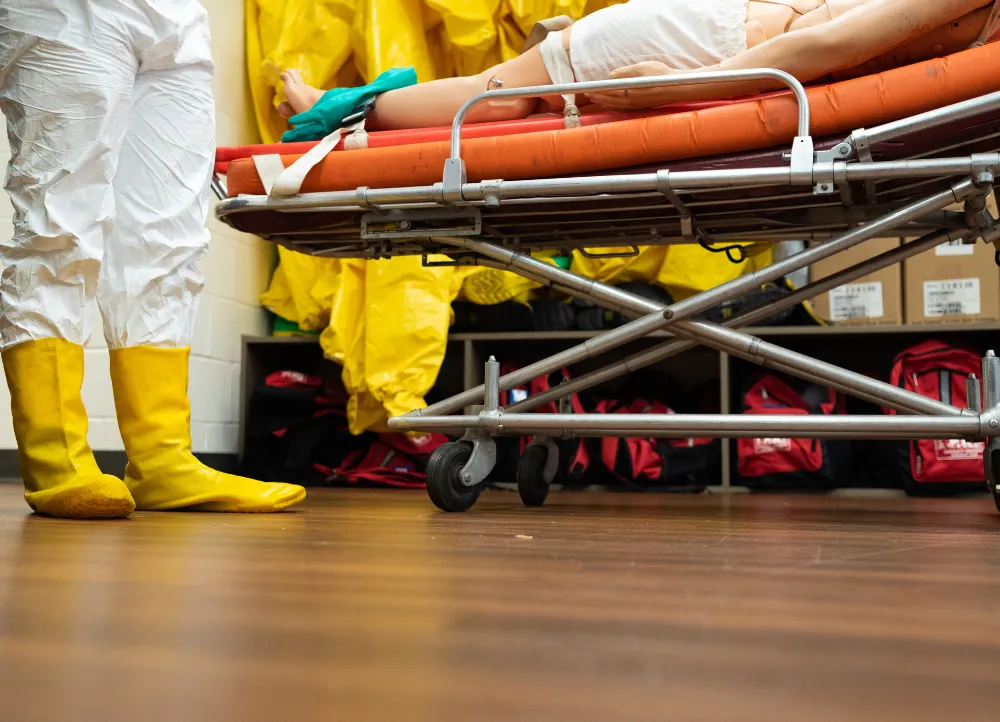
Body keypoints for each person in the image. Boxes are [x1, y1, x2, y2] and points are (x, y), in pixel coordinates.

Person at [0, 0, 307, 518]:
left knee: (168, 239)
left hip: (177, 16)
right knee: (60, 223)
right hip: (68, 8)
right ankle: (55, 461)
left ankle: (162, 461)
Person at [279, 0, 997, 137]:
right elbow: (823, 49)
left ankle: (347, 106)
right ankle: (338, 108)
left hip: (719, 47)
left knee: (506, 100)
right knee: (501, 102)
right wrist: (675, 88)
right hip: (707, 43)